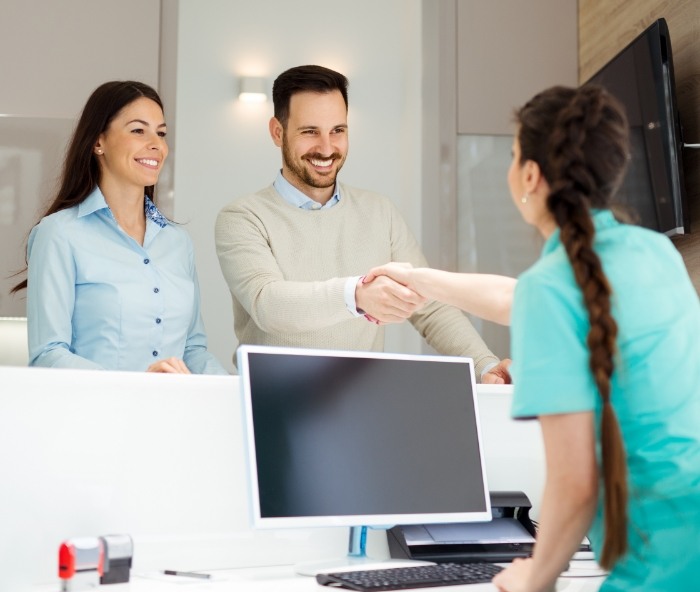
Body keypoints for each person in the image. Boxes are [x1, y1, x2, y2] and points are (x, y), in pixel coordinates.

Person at [366, 84, 700, 592]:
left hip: (658, 568)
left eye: (514, 154)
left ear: (529, 175)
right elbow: (515, 296)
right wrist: (420, 278)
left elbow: (575, 482)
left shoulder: (555, 286)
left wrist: (536, 576)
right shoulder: (655, 252)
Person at [214, 64, 510, 383]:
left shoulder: (379, 212)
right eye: (310, 131)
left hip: (360, 402)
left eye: (337, 130)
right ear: (277, 132)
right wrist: (356, 295)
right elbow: (268, 304)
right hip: (272, 403)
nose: (327, 148)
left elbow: (430, 306)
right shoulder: (243, 217)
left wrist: (484, 365)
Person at [12, 81, 227, 375]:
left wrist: (232, 387)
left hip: (173, 414)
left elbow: (192, 349)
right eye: (138, 130)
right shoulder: (59, 233)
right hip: (97, 415)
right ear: (98, 142)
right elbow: (48, 354)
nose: (157, 144)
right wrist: (135, 385)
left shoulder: (178, 242)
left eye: (161, 133)